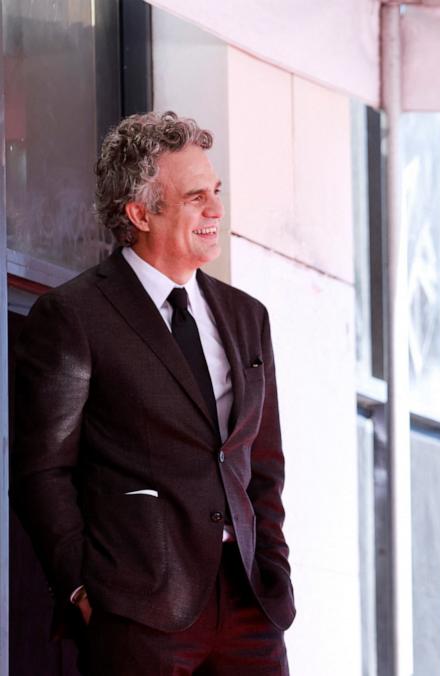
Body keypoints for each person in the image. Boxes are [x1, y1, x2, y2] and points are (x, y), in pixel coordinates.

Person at [10, 112, 294, 674]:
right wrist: (82, 589)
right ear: (140, 213)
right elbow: (43, 471)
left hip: (249, 604)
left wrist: (275, 566)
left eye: (215, 192)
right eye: (194, 197)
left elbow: (263, 462)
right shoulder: (74, 316)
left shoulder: (246, 318)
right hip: (137, 607)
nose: (215, 211)